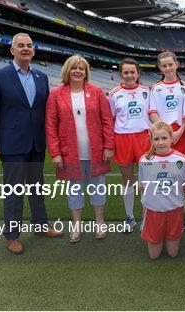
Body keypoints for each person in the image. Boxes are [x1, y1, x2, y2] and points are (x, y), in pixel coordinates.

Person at [0, 32, 62, 254]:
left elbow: (46, 111)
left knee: (37, 189)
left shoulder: (41, 77)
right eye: (21, 45)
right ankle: (12, 235)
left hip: (36, 143)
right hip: (12, 144)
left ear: (33, 50)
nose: (25, 48)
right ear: (12, 50)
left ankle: (41, 225)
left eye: (29, 45)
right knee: (14, 191)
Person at [45, 55, 114, 243]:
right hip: (70, 153)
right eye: (74, 68)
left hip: (96, 151)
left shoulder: (97, 92)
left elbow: (107, 120)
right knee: (74, 190)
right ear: (67, 70)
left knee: (98, 188)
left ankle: (99, 221)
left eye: (81, 68)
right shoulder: (56, 94)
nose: (78, 71)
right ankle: (77, 225)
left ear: (86, 72)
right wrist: (55, 153)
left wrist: (109, 146)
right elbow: (50, 126)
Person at [109, 58, 151, 233]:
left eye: (132, 72)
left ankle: (146, 216)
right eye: (125, 72)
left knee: (145, 180)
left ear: (138, 73)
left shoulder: (147, 91)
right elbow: (110, 120)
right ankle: (130, 217)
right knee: (127, 180)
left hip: (143, 138)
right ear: (121, 74)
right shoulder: (114, 94)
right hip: (123, 139)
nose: (129, 75)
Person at [138, 122, 185, 259]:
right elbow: (142, 187)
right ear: (151, 140)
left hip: (174, 210)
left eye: (164, 138)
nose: (160, 143)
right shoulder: (145, 160)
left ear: (172, 138)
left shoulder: (181, 160)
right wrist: (144, 209)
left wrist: (183, 208)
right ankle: (156, 232)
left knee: (173, 253)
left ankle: (170, 234)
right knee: (154, 256)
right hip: (153, 211)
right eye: (156, 139)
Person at [149, 51, 185, 157]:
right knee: (164, 166)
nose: (168, 68)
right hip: (162, 135)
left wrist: (180, 132)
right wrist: (167, 132)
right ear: (160, 67)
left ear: (176, 64)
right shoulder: (156, 88)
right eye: (164, 65)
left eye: (170, 64)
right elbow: (152, 113)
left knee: (183, 165)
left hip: (183, 132)